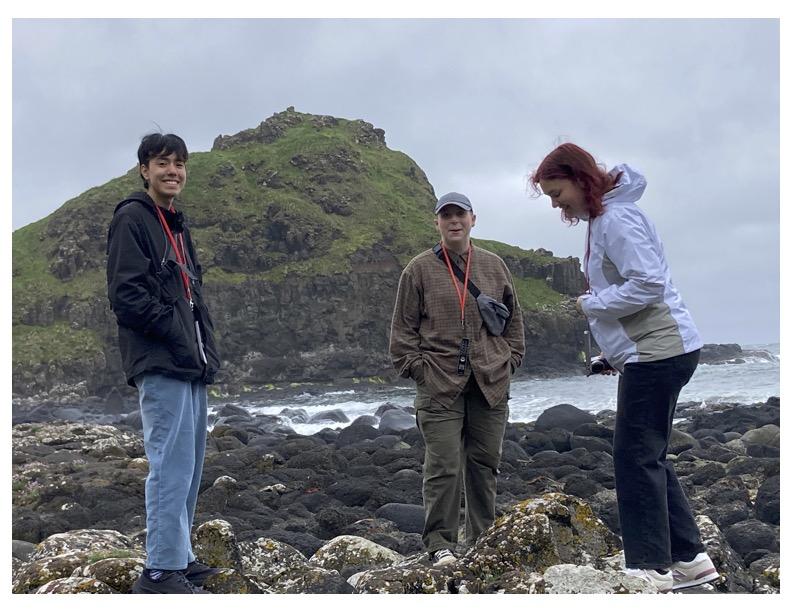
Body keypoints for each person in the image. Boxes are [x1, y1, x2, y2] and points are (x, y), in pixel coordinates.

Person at [530, 143, 719, 593]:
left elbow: (649, 284)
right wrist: (609, 355)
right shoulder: (605, 218)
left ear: (579, 179)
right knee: (647, 453)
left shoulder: (617, 219)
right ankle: (690, 560)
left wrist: (590, 304)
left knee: (635, 458)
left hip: (660, 351)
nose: (556, 204)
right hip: (652, 350)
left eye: (557, 193)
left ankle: (651, 568)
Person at [106, 133, 222, 594]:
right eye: (162, 164)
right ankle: (159, 572)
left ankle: (180, 556)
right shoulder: (133, 217)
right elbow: (127, 295)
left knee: (190, 465)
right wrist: (176, 336)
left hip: (189, 363)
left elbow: (191, 297)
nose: (172, 171)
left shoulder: (176, 223)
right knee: (169, 465)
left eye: (179, 164)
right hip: (161, 359)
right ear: (144, 170)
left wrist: (204, 353)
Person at [389, 192, 525, 567]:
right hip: (439, 385)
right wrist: (420, 371)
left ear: (472, 219)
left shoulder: (495, 267)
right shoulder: (417, 270)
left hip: (490, 382)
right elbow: (401, 335)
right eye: (446, 215)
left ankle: (483, 538)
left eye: (460, 214)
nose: (454, 221)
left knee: (485, 464)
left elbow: (515, 323)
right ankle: (440, 543)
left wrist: (510, 360)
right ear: (437, 222)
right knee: (443, 466)